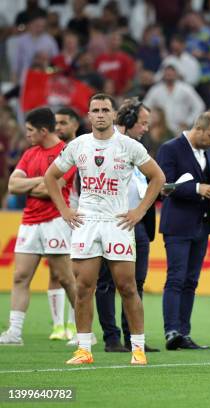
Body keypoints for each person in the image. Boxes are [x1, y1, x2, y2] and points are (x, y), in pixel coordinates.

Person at [44, 93, 165, 365]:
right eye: (95, 110)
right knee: (84, 287)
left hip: (117, 222)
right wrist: (64, 210)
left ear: (113, 115)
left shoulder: (129, 145)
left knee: (128, 287)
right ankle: (84, 350)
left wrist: (140, 210)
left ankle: (138, 349)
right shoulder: (78, 145)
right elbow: (51, 176)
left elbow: (158, 177)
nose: (100, 114)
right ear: (88, 115)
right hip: (87, 223)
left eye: (105, 110)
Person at [0, 108, 77, 346]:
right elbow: (13, 185)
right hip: (30, 222)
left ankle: (83, 331)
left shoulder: (67, 152)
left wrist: (37, 184)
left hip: (56, 221)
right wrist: (44, 180)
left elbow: (49, 191)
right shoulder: (30, 152)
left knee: (66, 278)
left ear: (44, 130)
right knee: (21, 276)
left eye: (31, 130)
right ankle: (14, 332)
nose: (27, 134)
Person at [94, 99, 160, 353]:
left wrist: (142, 207)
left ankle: (134, 338)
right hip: (109, 221)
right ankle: (112, 339)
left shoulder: (135, 148)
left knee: (136, 282)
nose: (145, 128)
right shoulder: (104, 146)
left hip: (137, 222)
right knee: (106, 282)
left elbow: (150, 179)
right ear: (128, 121)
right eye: (142, 123)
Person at [156, 111, 210, 351]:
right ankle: (171, 331)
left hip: (201, 224)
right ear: (200, 129)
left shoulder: (206, 150)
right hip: (178, 224)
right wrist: (197, 188)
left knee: (191, 281)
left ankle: (183, 333)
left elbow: (207, 183)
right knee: (176, 277)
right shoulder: (170, 148)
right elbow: (164, 185)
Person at [47, 106, 80, 343]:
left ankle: (75, 324)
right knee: (56, 271)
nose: (58, 127)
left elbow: (55, 183)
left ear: (76, 124)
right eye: (56, 123)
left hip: (82, 217)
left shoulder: (82, 147)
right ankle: (58, 326)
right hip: (59, 216)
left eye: (63, 123)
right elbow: (51, 182)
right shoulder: (53, 151)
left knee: (76, 272)